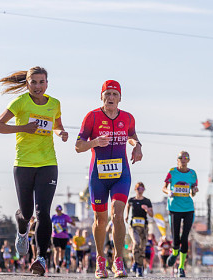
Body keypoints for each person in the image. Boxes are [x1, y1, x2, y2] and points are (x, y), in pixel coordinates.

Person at [0, 66, 68, 276]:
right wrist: (23, 128)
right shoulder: (20, 103)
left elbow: (57, 125)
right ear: (27, 84)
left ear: (47, 83)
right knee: (26, 213)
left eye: (41, 82)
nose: (37, 86)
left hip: (48, 164)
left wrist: (61, 132)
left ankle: (41, 258)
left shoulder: (54, 104)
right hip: (24, 164)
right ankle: (22, 226)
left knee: (43, 212)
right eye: (33, 82)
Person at [75, 80, 142, 278]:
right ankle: (100, 260)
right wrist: (95, 142)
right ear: (101, 96)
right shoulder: (92, 117)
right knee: (100, 219)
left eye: (115, 94)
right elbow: (78, 146)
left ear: (120, 97)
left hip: (121, 174)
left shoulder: (128, 118)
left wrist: (137, 145)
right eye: (107, 94)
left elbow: (132, 135)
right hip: (98, 175)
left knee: (118, 215)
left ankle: (118, 261)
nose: (111, 97)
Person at [162, 151, 198, 278]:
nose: (183, 159)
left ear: (188, 160)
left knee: (185, 238)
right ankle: (175, 251)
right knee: (176, 238)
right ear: (177, 159)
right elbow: (164, 187)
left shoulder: (193, 174)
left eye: (186, 157)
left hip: (188, 208)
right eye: (181, 157)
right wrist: (168, 192)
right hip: (174, 208)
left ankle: (181, 268)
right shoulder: (172, 172)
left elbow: (193, 192)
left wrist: (194, 190)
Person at [126, 182, 153, 277]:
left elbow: (151, 214)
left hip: (143, 227)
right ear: (135, 189)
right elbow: (128, 207)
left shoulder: (147, 201)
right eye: (138, 189)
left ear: (144, 190)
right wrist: (126, 216)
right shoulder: (131, 200)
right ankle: (136, 264)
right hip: (133, 226)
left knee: (142, 248)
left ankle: (138, 267)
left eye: (142, 189)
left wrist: (147, 210)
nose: (140, 190)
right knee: (136, 243)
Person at [51, 204, 75, 273]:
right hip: (55, 236)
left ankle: (60, 261)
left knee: (62, 252)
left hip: (64, 236)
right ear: (56, 210)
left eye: (60, 210)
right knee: (56, 250)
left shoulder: (65, 217)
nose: (58, 212)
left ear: (61, 210)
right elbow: (49, 223)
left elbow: (73, 224)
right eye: (57, 210)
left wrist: (72, 221)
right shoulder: (53, 217)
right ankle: (57, 266)